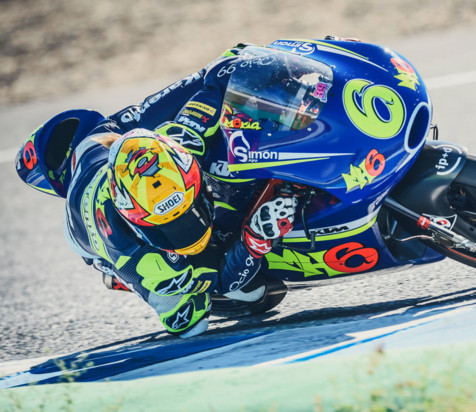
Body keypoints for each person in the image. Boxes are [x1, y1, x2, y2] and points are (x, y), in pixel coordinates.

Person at [15, 43, 300, 338]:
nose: (191, 235)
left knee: (229, 69)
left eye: (188, 216)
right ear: (135, 222)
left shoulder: (180, 141)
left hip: (112, 140)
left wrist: (245, 67)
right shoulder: (138, 258)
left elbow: (209, 91)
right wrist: (255, 240)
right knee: (194, 319)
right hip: (107, 243)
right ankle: (125, 281)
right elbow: (222, 280)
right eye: (173, 227)